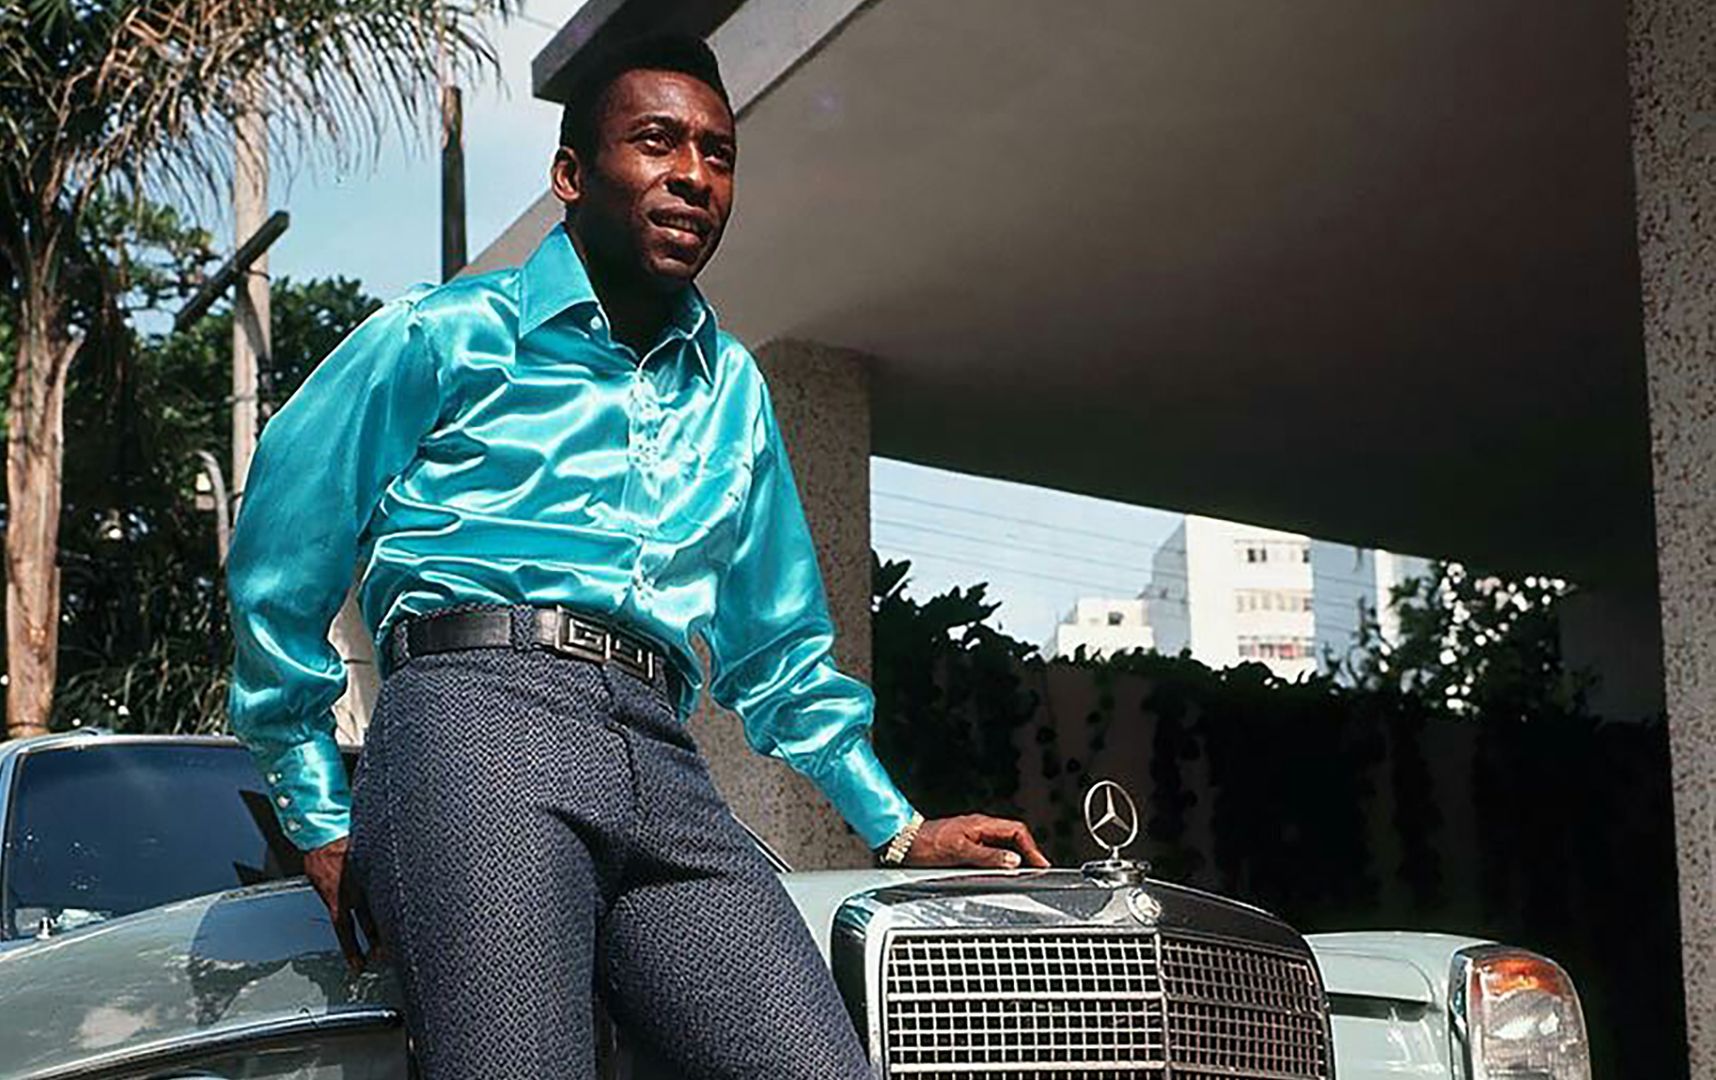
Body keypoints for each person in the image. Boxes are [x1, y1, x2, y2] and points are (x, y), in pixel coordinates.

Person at [225, 32, 1048, 1080]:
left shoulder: (733, 390)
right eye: (657, 142)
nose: (694, 176)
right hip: (478, 725)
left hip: (662, 755)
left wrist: (896, 830)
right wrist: (316, 810)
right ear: (571, 174)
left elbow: (781, 654)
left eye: (718, 152)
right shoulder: (442, 335)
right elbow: (276, 565)